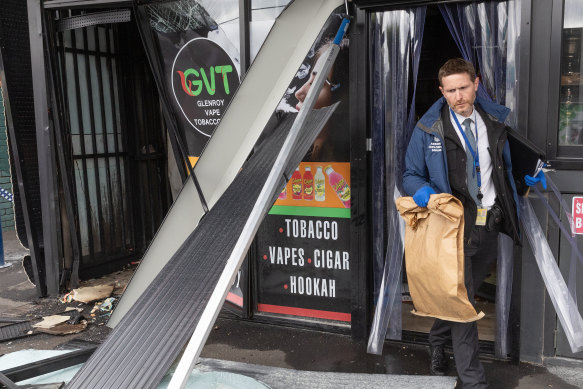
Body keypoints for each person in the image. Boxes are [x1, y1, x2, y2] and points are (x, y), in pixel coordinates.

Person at [402, 58, 545, 388]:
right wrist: (426, 195)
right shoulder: (428, 129)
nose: (458, 96)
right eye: (450, 90)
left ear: (476, 84)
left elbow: (503, 165)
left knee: (459, 293)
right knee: (464, 305)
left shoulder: (493, 120)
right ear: (442, 91)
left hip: (488, 224)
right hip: (452, 228)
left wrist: (526, 177)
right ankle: (472, 381)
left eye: (463, 88)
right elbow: (410, 174)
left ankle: (436, 343)